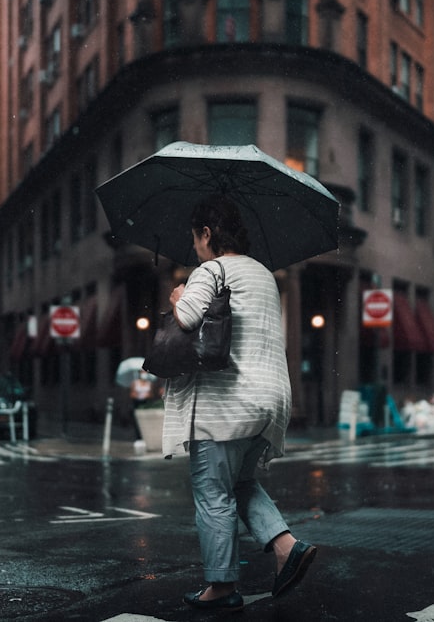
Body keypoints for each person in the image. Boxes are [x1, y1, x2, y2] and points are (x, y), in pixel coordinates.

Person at [162, 194, 316, 612]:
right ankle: (287, 547)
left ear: (208, 233)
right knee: (241, 483)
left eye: (196, 238)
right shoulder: (265, 274)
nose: (194, 247)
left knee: (212, 492)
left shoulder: (211, 268)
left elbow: (188, 319)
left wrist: (178, 297)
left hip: (226, 405)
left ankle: (221, 586)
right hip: (269, 400)